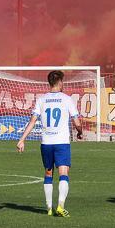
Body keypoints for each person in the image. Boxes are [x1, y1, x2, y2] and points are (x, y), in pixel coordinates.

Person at [16, 70, 83, 217]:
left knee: (48, 173)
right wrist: (79, 131)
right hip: (62, 143)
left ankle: (48, 208)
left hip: (46, 143)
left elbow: (32, 121)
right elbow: (76, 121)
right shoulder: (66, 99)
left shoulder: (41, 99)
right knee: (63, 173)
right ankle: (60, 206)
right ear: (59, 82)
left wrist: (22, 139)